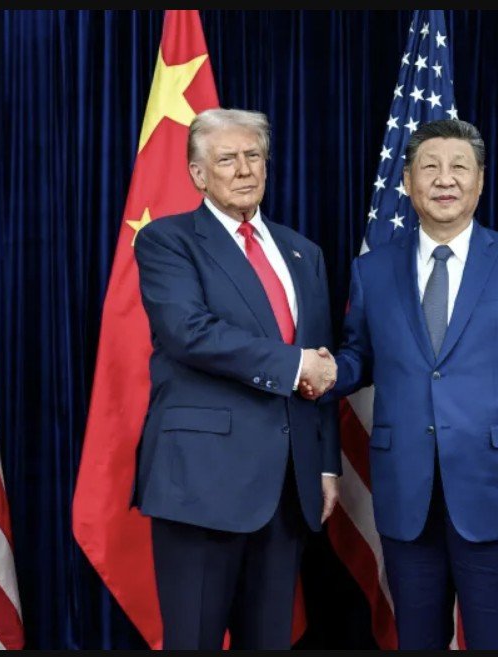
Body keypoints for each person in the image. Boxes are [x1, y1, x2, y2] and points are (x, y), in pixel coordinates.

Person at [305, 119, 498, 649]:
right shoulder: (373, 270)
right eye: (430, 167)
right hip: (407, 490)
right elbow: (361, 355)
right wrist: (332, 370)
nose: (444, 179)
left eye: (459, 167)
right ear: (408, 181)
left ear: (480, 180)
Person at [131, 108, 340, 650]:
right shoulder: (167, 241)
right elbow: (189, 332)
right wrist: (295, 366)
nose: (245, 169)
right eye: (228, 159)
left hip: (288, 487)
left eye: (254, 156)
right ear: (198, 174)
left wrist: (324, 464)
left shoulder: (304, 253)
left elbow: (319, 364)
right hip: (201, 482)